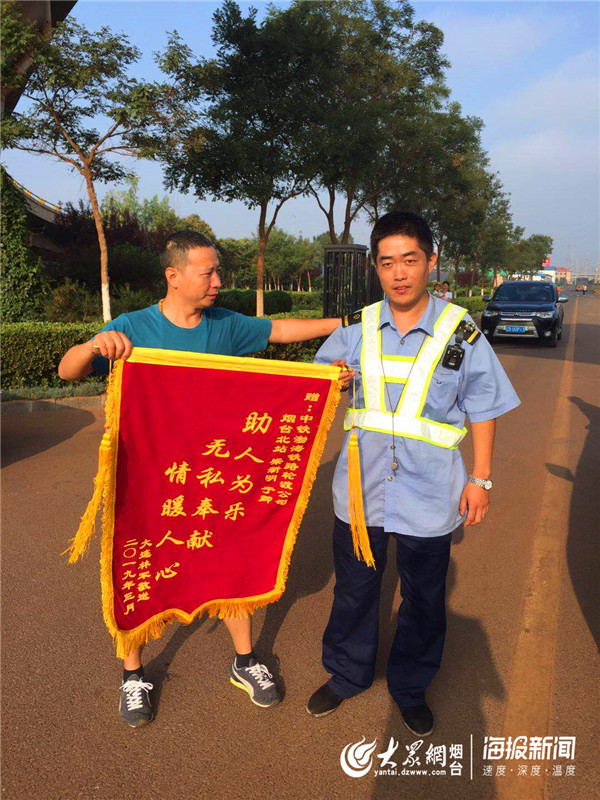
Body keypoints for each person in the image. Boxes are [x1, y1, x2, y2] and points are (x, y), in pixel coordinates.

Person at [59, 230, 347, 728]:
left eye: (218, 271)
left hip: (215, 476)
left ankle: (245, 661)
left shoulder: (225, 326)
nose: (218, 281)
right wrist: (93, 346)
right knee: (142, 565)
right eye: (207, 273)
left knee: (230, 557)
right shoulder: (134, 326)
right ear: (174, 276)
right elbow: (68, 371)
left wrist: (346, 323)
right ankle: (134, 675)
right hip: (152, 482)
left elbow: (278, 331)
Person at [306, 211, 520, 736]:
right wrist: (332, 384)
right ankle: (347, 674)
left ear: (430, 261)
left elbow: (483, 406)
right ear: (375, 269)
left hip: (430, 494)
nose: (399, 273)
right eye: (387, 263)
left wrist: (482, 479)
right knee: (356, 590)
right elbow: (312, 393)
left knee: (423, 599)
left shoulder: (460, 333)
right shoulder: (355, 329)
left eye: (409, 260)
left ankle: (410, 687)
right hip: (359, 495)